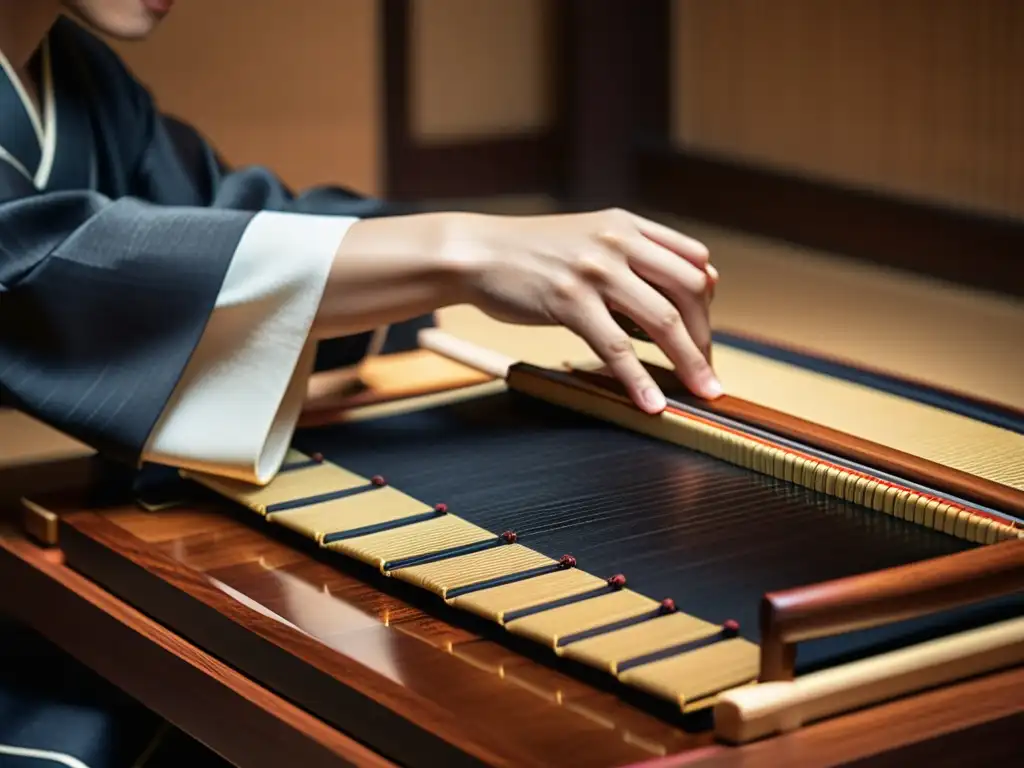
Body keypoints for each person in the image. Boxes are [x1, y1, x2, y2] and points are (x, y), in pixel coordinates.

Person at [0, 0, 721, 764]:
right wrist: (461, 250)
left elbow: (231, 226)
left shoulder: (77, 77)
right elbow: (48, 267)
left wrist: (513, 258)